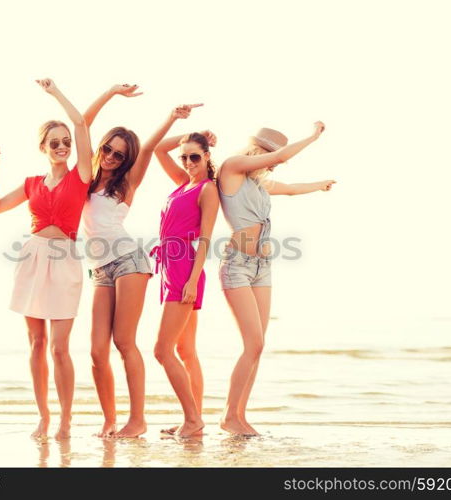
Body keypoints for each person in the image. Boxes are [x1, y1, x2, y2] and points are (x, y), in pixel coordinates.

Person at [82, 85, 200, 438]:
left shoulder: (127, 181)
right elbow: (82, 124)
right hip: (100, 268)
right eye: (108, 149)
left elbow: (148, 148)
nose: (111, 157)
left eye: (119, 155)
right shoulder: (84, 179)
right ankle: (109, 420)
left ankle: (137, 421)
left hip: (130, 262)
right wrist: (111, 93)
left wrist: (172, 119)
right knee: (96, 351)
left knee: (124, 342)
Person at [0, 78, 92, 440]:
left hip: (64, 258)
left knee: (60, 348)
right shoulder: (32, 182)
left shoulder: (81, 176)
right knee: (36, 344)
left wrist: (55, 93)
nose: (63, 146)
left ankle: (65, 419)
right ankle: (44, 417)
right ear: (43, 147)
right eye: (55, 143)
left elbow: (81, 124)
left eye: (65, 143)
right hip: (32, 257)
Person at [216, 123, 334, 435]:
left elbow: (292, 189)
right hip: (237, 265)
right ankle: (228, 416)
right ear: (255, 150)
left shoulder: (258, 183)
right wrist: (312, 138)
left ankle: (239, 416)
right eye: (268, 155)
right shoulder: (233, 167)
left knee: (258, 345)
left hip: (262, 265)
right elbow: (281, 158)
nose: (271, 162)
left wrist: (319, 185)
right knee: (252, 343)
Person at [152, 125, 220, 437]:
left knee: (162, 350)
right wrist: (187, 134)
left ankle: (193, 420)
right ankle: (193, 420)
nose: (189, 162)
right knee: (186, 350)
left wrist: (192, 280)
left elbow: (205, 238)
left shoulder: (207, 189)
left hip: (184, 269)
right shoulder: (182, 183)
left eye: (195, 156)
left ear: (207, 157)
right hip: (168, 267)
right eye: (185, 157)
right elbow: (156, 149)